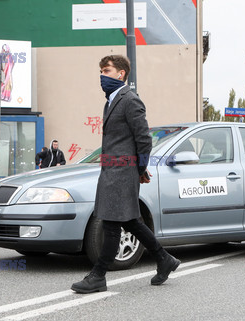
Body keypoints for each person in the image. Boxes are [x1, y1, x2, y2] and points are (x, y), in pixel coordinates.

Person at [71, 55, 180, 294]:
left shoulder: (130, 100)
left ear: (121, 74)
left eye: (107, 70)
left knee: (110, 223)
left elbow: (144, 139)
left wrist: (139, 169)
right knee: (130, 221)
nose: (102, 75)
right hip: (112, 170)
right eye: (100, 70)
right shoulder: (111, 101)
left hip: (122, 172)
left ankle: (98, 275)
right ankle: (164, 259)